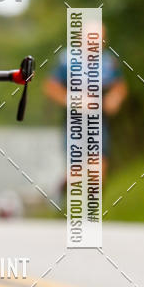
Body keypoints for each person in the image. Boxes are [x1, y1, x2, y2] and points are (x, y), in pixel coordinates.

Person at [44, 26, 128, 182]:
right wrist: (74, 100)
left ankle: (93, 201)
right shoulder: (67, 60)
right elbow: (50, 87)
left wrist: (114, 98)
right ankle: (67, 189)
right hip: (74, 121)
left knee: (98, 169)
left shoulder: (109, 61)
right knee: (76, 170)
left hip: (99, 121)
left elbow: (120, 86)